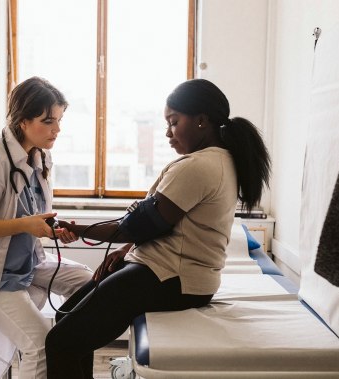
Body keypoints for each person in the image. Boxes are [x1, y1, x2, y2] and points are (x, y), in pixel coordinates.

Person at [45, 78, 272, 378]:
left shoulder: (198, 167)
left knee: (61, 342)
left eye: (174, 122)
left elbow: (135, 227)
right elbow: (157, 227)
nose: (168, 133)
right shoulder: (219, 161)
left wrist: (73, 228)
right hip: (172, 273)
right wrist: (127, 252)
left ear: (202, 121)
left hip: (172, 278)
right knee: (66, 321)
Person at [0, 77, 93, 379]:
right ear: (23, 121)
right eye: (48, 121)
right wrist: (27, 225)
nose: (57, 130)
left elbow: (32, 213)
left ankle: (71, 360)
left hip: (27, 261)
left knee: (89, 283)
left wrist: (51, 228)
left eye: (60, 120)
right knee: (39, 344)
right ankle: (54, 352)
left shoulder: (40, 155)